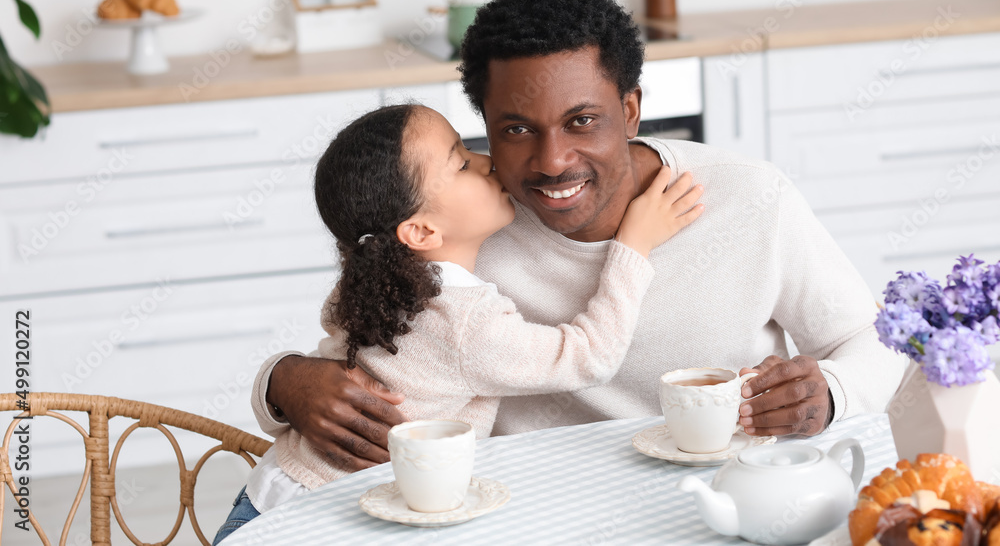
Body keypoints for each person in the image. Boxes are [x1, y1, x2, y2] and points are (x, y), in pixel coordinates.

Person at [249, 0, 905, 486]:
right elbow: (367, 350)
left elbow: (875, 338)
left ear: (631, 108)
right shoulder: (469, 227)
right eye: (516, 129)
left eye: (583, 120)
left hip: (717, 499)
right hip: (531, 512)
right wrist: (283, 382)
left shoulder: (751, 199)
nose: (552, 161)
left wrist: (833, 390)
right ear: (484, 125)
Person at [213, 102, 702, 540]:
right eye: (463, 163)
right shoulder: (464, 319)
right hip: (328, 523)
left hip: (269, 496)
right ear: (422, 230)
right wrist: (635, 245)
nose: (488, 163)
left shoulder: (371, 287)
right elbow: (588, 358)